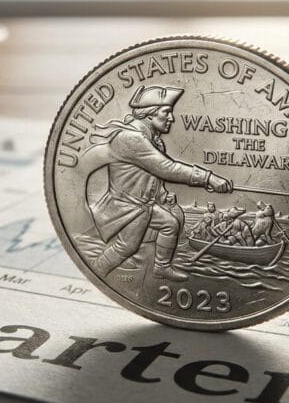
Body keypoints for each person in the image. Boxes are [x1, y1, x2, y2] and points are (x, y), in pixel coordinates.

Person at [84, 85, 232, 282]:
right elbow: (166, 168)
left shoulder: (152, 139)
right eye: (167, 112)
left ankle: (162, 267)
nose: (171, 118)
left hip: (144, 204)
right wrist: (207, 178)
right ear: (149, 114)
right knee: (126, 247)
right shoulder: (132, 138)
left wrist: (162, 195)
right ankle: (95, 273)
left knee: (170, 224)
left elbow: (150, 174)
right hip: (128, 206)